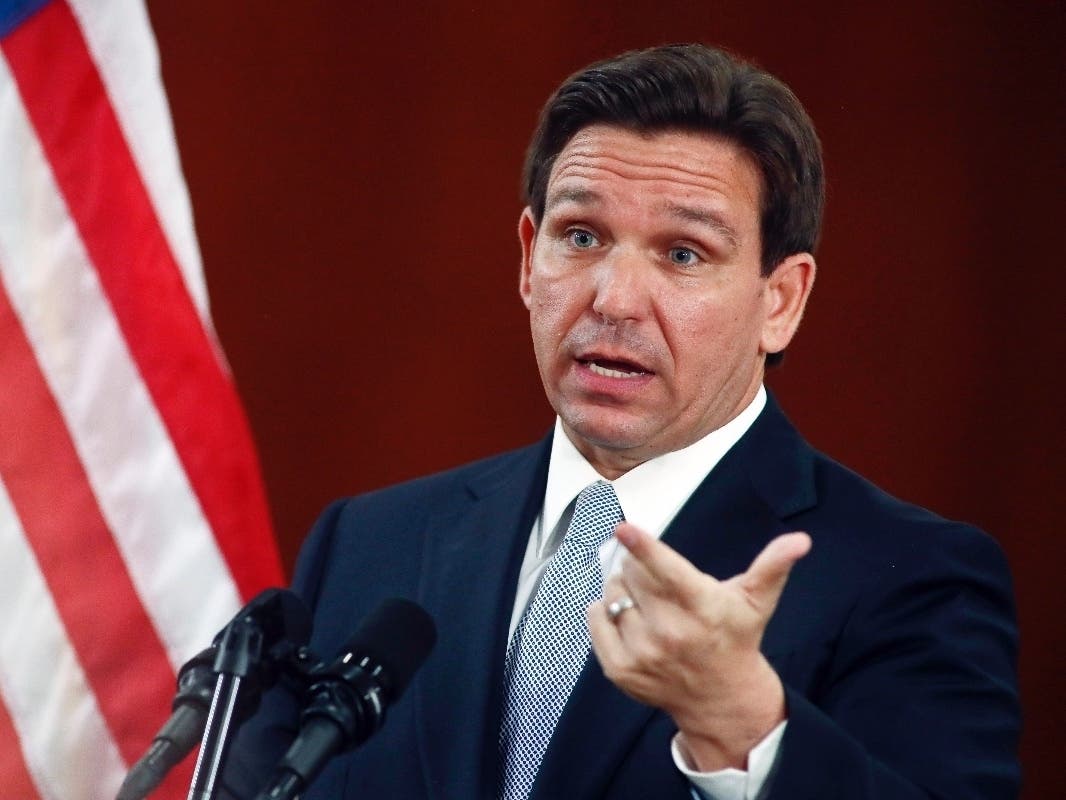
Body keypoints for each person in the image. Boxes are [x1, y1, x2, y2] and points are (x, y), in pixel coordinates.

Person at [220, 44, 1020, 799]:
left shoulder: (911, 577)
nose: (613, 298)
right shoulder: (369, 543)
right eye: (581, 236)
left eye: (683, 254)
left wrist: (740, 721)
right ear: (529, 257)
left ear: (780, 301)